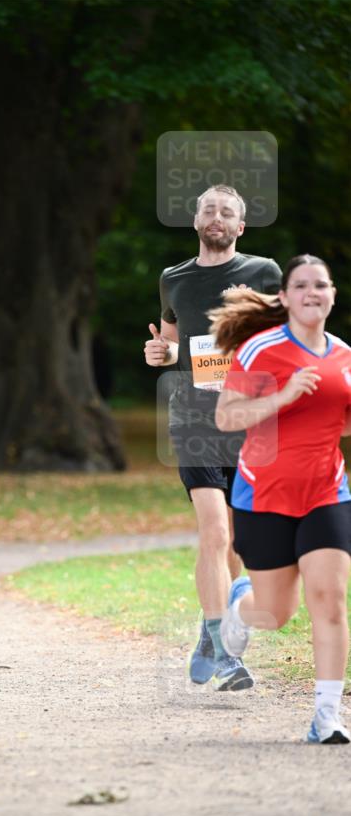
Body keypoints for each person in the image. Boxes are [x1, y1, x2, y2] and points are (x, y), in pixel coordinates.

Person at [144, 185, 282, 690]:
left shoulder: (264, 272)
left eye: (228, 212)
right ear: (196, 219)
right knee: (215, 532)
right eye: (209, 209)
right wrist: (158, 354)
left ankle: (208, 631)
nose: (217, 217)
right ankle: (227, 654)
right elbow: (171, 344)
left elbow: (278, 339)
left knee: (239, 540)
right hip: (194, 422)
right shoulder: (173, 279)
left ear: (240, 226)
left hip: (249, 422)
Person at [212, 255, 350, 744]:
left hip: (327, 492)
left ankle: (327, 716)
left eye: (321, 285)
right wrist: (284, 396)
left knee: (330, 601)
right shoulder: (261, 351)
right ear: (286, 297)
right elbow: (227, 418)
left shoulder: (344, 356)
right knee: (276, 613)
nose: (312, 292)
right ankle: (239, 607)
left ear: (332, 295)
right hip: (264, 493)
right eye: (302, 285)